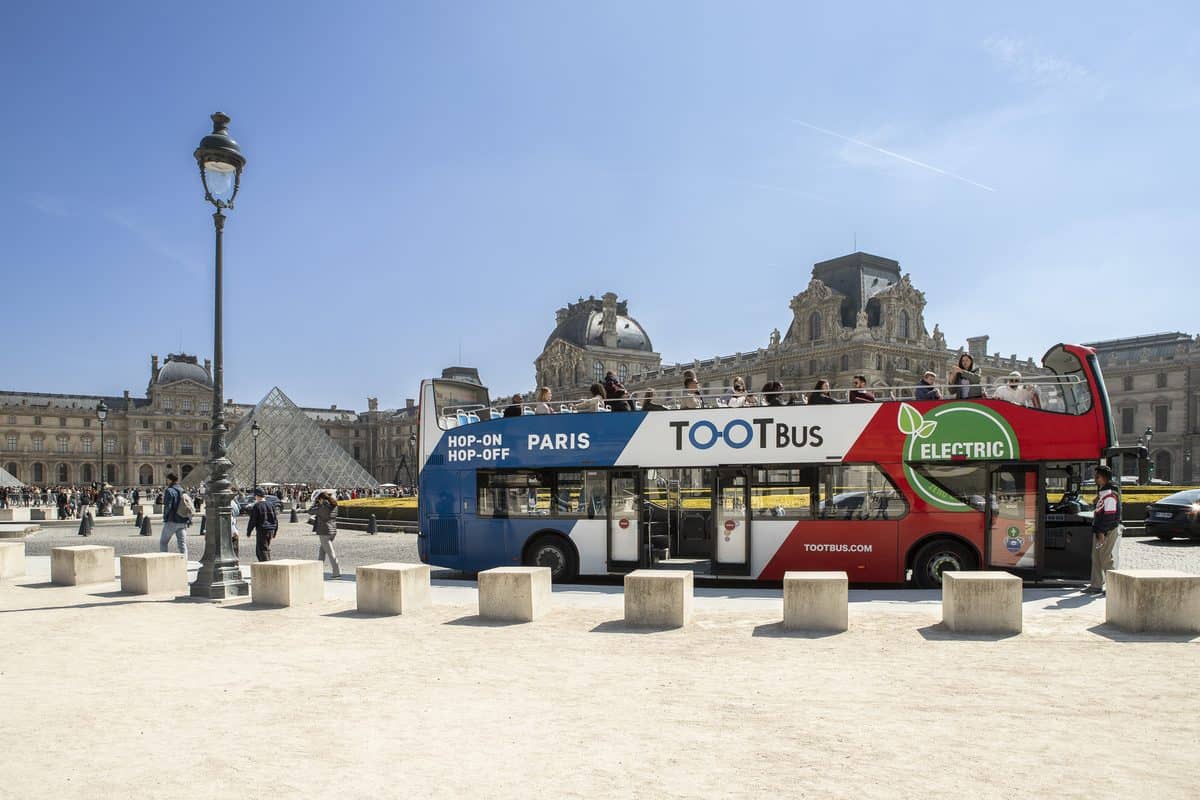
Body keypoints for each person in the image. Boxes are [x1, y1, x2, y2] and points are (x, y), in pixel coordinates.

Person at [1085, 465, 1122, 595]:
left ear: (1104, 478)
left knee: (1106, 558)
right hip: (1101, 530)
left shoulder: (1110, 495)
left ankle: (1113, 587)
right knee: (1096, 558)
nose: (1095, 479)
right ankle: (1096, 585)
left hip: (1107, 531)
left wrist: (1102, 532)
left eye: (1097, 476)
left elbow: (1109, 517)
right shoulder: (1104, 493)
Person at [308, 491, 341, 578]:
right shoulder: (334, 505)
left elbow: (310, 511)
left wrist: (316, 504)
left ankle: (337, 572)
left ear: (321, 499)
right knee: (322, 551)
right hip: (333, 531)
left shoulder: (322, 508)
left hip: (324, 531)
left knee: (330, 553)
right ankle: (318, 571)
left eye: (319, 499)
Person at [159, 472, 190, 560]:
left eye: (167, 479)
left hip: (172, 520)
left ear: (170, 480)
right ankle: (184, 561)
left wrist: (165, 517)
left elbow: (168, 506)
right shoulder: (182, 490)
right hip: (183, 520)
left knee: (163, 542)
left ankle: (164, 560)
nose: (166, 481)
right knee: (182, 544)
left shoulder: (169, 490)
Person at [246, 487, 279, 563]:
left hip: (262, 530)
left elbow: (253, 520)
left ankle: (266, 566)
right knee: (266, 548)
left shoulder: (257, 506)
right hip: (271, 530)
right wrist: (275, 531)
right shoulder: (270, 505)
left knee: (261, 550)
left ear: (257, 496)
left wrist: (249, 531)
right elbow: (275, 519)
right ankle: (267, 564)